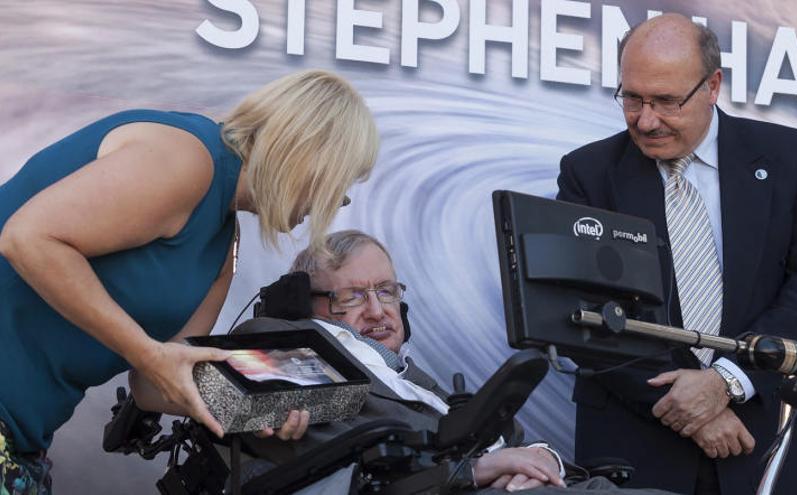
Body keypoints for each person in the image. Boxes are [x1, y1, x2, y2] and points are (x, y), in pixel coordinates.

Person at [0, 69, 379, 493]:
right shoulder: (185, 159)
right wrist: (144, 351)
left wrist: (253, 409)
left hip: (24, 443)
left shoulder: (222, 246)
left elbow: (154, 384)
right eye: (342, 181)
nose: (342, 199)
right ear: (311, 154)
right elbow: (28, 238)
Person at [556, 13, 797, 495]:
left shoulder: (786, 156)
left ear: (712, 86)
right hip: (635, 436)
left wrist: (727, 381)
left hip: (765, 427)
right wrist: (690, 409)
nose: (645, 120)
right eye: (632, 98)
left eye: (666, 101)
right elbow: (579, 313)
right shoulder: (588, 173)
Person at [233, 230, 676, 494]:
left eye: (387, 291)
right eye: (351, 297)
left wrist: (543, 460)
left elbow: (510, 439)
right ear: (302, 305)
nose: (376, 310)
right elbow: (330, 457)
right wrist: (473, 471)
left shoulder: (414, 379)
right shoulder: (286, 344)